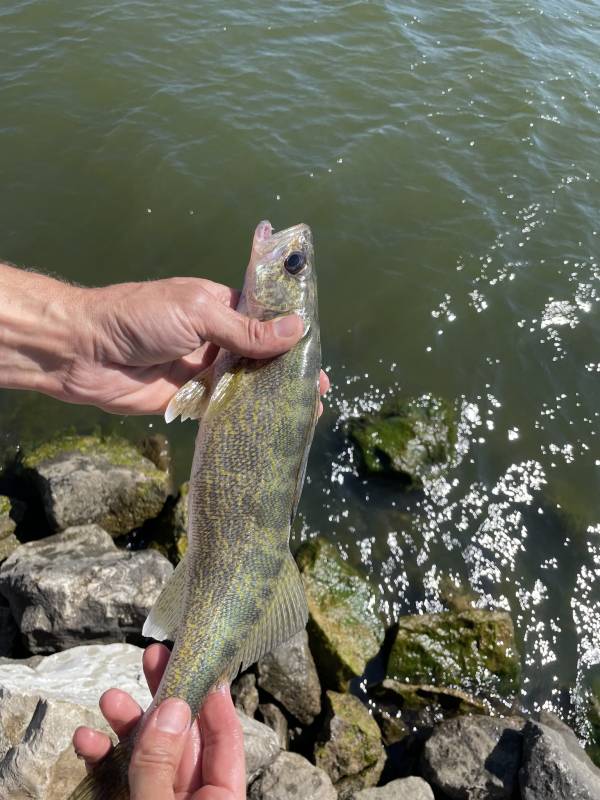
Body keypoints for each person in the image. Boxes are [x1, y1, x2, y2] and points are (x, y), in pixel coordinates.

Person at [0, 260, 329, 799]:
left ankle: (118, 773)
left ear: (287, 314)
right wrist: (86, 335)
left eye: (294, 267)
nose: (289, 258)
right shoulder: (242, 348)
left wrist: (80, 336)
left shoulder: (250, 349)